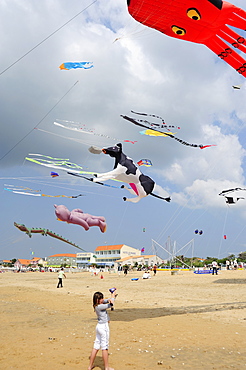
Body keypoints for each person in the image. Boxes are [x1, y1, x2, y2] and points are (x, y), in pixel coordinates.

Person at [88, 289, 117, 370]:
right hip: (103, 327)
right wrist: (113, 296)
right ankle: (106, 367)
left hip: (99, 326)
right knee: (105, 347)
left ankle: (90, 366)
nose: (102, 300)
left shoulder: (96, 305)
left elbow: (106, 301)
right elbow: (110, 304)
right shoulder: (100, 306)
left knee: (96, 346)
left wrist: (110, 297)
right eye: (101, 299)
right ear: (98, 300)